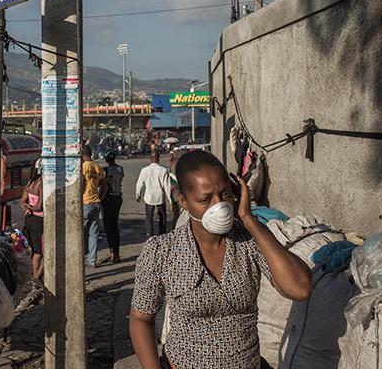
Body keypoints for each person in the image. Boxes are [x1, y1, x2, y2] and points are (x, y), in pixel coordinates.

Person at [129, 150, 312, 369]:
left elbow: (300, 289)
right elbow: (141, 318)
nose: (218, 205)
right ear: (184, 202)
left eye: (224, 194)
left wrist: (248, 219)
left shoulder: (250, 241)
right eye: (205, 200)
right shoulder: (161, 251)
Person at [82, 145, 107, 268]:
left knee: (80, 233)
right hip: (96, 202)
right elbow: (104, 184)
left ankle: (79, 258)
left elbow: (80, 184)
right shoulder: (97, 166)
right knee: (93, 233)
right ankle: (92, 260)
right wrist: (100, 197)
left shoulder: (83, 167)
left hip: (85, 202)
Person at [135, 152, 171, 237]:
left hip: (149, 197)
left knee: (149, 217)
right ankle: (162, 235)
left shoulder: (144, 170)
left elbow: (139, 184)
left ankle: (149, 234)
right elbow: (167, 186)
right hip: (160, 197)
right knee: (162, 217)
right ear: (158, 158)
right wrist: (170, 200)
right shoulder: (163, 170)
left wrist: (138, 194)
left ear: (150, 159)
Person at [22, 159, 44, 282]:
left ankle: (35, 276)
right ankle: (36, 277)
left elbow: (23, 200)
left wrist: (28, 208)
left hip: (30, 219)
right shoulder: (42, 184)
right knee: (43, 253)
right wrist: (33, 208)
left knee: (36, 251)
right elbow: (40, 206)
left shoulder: (30, 183)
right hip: (40, 220)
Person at [102, 151, 124, 264]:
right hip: (118, 198)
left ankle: (113, 253)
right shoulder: (121, 169)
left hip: (108, 199)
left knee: (109, 227)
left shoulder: (105, 170)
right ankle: (116, 253)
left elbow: (104, 186)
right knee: (114, 226)